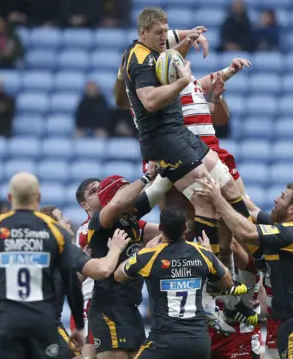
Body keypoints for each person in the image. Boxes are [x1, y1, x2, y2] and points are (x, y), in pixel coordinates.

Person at [120, 7, 253, 270]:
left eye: (164, 32)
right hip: (165, 142)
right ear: (142, 33)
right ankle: (216, 269)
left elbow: (170, 36)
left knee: (229, 188)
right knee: (200, 203)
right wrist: (182, 81)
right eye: (158, 33)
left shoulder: (157, 51)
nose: (164, 37)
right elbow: (149, 102)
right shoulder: (141, 60)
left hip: (181, 135)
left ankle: (254, 246)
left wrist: (188, 35)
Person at [0, 172, 86, 359]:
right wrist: (79, 326)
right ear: (38, 198)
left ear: (10, 198)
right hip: (43, 324)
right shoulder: (55, 232)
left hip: (7, 324)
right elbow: (72, 282)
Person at [195, 178, 293, 359]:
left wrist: (218, 200)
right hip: (290, 318)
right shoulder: (287, 228)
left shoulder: (292, 233)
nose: (275, 199)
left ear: (291, 209)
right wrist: (228, 190)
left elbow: (246, 232)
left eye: (282, 197)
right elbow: (252, 210)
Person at [113, 207, 233, 359]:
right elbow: (227, 283)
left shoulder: (149, 255)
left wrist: (142, 251)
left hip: (163, 342)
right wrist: (210, 253)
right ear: (185, 228)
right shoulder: (203, 253)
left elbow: (118, 276)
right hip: (198, 342)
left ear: (161, 228)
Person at [86, 170, 162, 359]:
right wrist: (146, 176)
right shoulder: (99, 221)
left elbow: (159, 189)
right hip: (108, 306)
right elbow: (119, 202)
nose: (133, 197)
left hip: (130, 306)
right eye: (127, 191)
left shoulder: (130, 218)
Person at [39, 205, 133, 359]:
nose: (67, 220)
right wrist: (116, 248)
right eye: (61, 217)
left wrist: (86, 266)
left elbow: (61, 282)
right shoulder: (62, 248)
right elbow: (103, 270)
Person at [73, 177, 102, 359]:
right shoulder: (86, 230)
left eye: (102, 188)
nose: (100, 192)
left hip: (113, 302)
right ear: (85, 205)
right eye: (94, 191)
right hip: (89, 304)